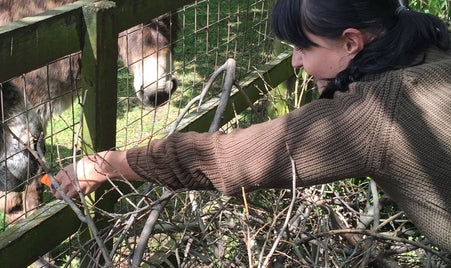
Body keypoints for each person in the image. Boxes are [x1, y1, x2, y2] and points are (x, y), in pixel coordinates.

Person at [51, 0, 451, 251]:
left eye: (302, 48)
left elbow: (224, 160)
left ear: (351, 43)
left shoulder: (379, 110)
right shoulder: (430, 50)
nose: (295, 62)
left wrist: (104, 165)